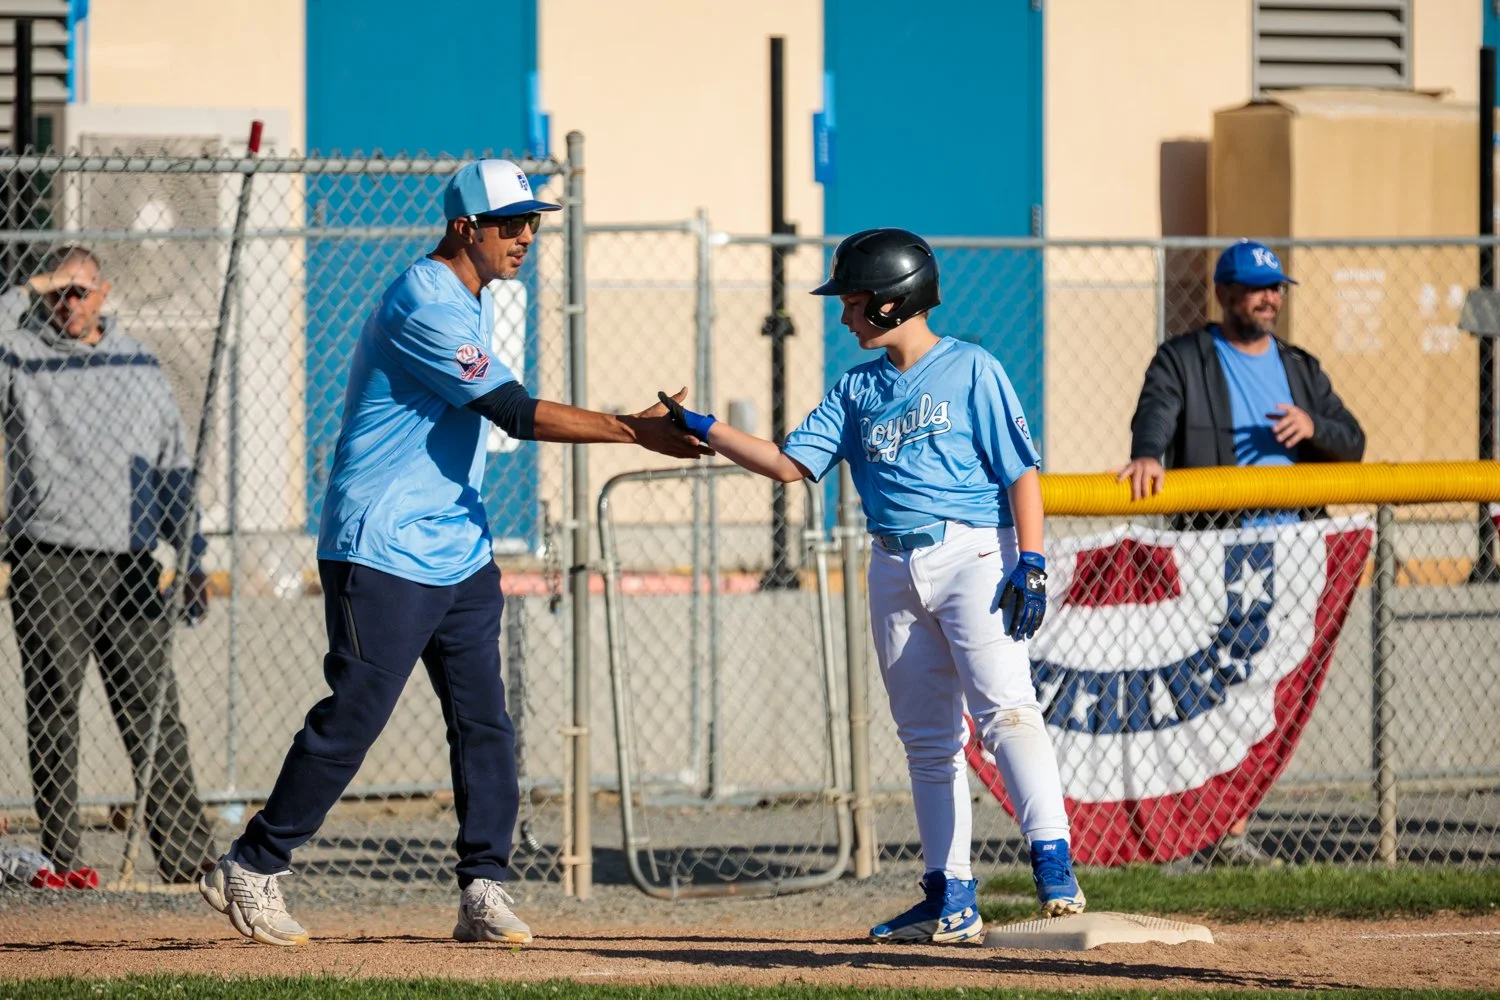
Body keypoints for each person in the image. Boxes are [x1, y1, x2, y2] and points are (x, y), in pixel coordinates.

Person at [199, 159, 709, 947]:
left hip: (458, 545)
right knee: (356, 716)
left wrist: (636, 430)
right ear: (465, 227)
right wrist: (632, 430)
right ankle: (254, 863)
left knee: (485, 724)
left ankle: (483, 886)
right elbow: (511, 412)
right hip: (384, 542)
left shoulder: (469, 302)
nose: (527, 237)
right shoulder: (424, 301)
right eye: (511, 224)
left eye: (533, 222)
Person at [660, 228, 1085, 944]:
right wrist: (704, 429)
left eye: (854, 303)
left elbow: (1021, 472)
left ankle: (1053, 860)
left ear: (893, 304)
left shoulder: (972, 369)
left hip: (974, 554)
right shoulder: (857, 387)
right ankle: (951, 896)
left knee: (1006, 712)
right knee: (927, 741)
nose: (844, 316)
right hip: (890, 565)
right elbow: (789, 465)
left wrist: (1032, 560)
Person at [1117, 239, 1365, 866]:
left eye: (1276, 287)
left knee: (1262, 697)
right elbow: (1156, 411)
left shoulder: (1301, 367)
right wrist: (1149, 451)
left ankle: (1229, 831)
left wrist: (1314, 429)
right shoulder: (1185, 358)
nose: (1269, 298)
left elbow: (1352, 440)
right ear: (1224, 295)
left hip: (1294, 555)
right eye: (1256, 288)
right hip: (1214, 551)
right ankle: (1184, 836)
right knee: (1202, 693)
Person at [0, 244, 217, 887]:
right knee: (54, 707)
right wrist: (37, 280)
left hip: (131, 564)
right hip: (46, 558)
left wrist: (194, 555)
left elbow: (174, 466)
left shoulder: (138, 365)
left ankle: (187, 857)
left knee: (154, 713)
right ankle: (65, 859)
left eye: (81, 290)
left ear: (105, 294)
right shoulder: (21, 358)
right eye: (59, 292)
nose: (69, 302)